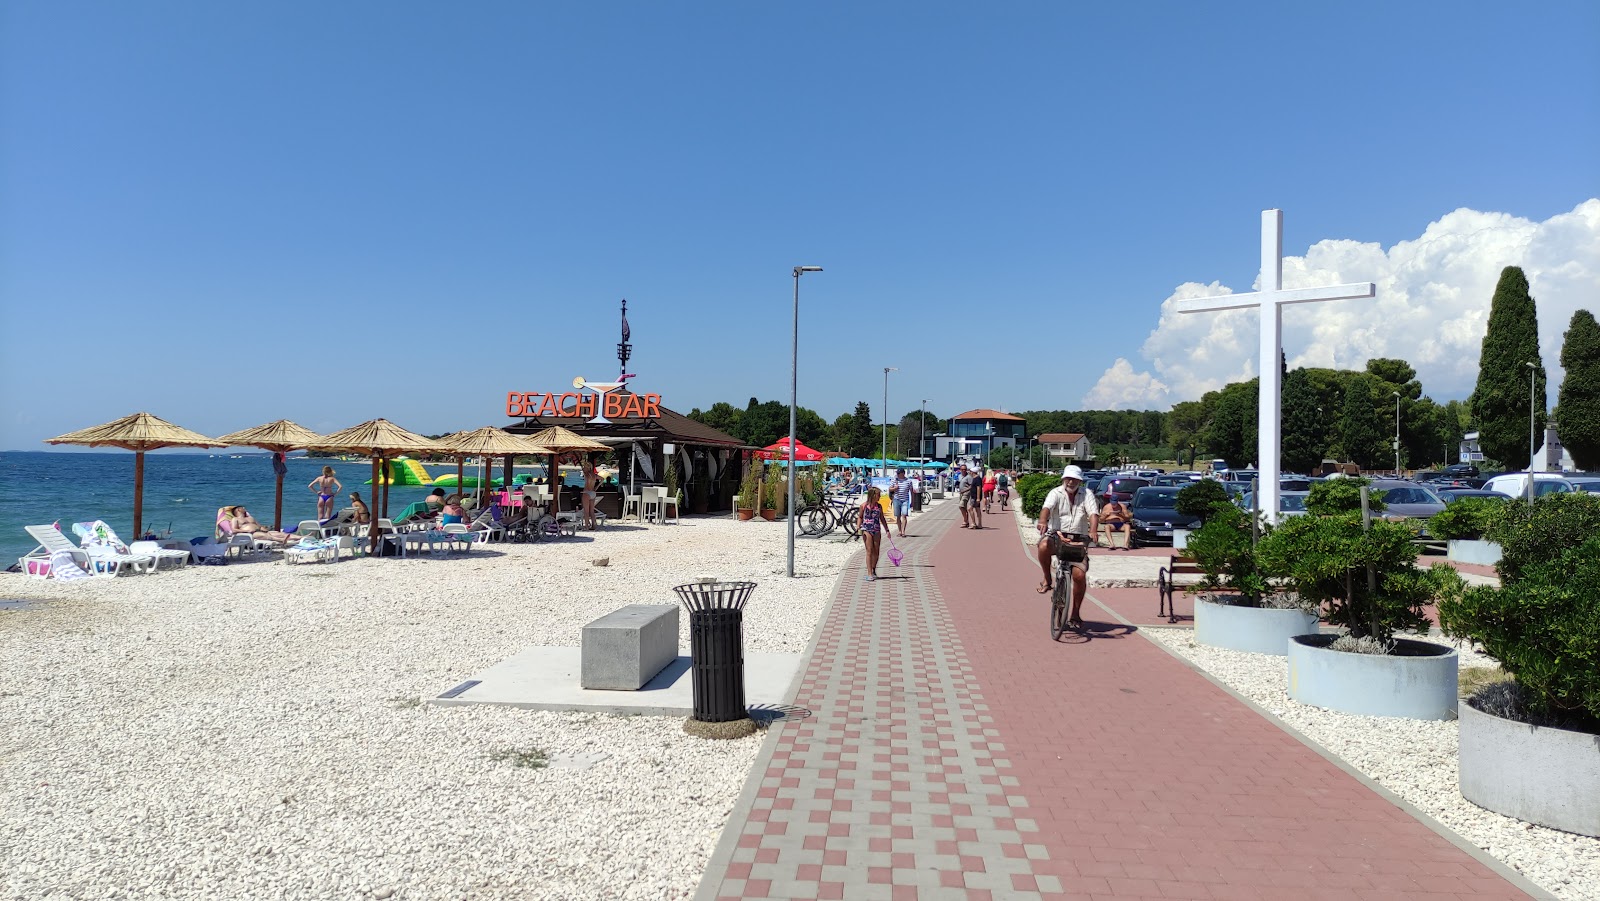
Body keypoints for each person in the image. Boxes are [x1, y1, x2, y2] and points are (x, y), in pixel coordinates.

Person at [1035, 465, 1100, 628]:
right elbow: (1046, 508)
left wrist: (1093, 530)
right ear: (1063, 479)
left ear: (1079, 481)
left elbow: (1093, 513)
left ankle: (1076, 613)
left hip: (1078, 538)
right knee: (1043, 545)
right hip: (1057, 534)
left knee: (1079, 576)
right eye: (1068, 478)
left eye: (1074, 479)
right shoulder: (1055, 493)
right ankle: (1047, 578)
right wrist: (1043, 521)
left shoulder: (1087, 494)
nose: (1071, 482)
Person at [859, 486, 885, 581]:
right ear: (873, 496)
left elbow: (882, 518)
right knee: (869, 551)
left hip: (876, 530)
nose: (880, 497)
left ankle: (873, 569)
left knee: (876, 552)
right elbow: (860, 517)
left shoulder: (879, 506)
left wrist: (887, 530)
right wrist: (858, 527)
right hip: (866, 529)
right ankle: (869, 573)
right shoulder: (863, 506)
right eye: (878, 495)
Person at [888, 467, 914, 537]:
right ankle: (899, 531)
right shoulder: (894, 480)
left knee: (904, 515)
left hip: (905, 500)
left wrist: (913, 501)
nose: (897, 474)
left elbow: (911, 491)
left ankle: (903, 531)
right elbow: (890, 489)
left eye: (899, 473)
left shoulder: (908, 481)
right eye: (897, 473)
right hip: (896, 499)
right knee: (898, 516)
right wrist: (894, 488)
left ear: (903, 473)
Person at [581, 458, 600, 530]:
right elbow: (602, 479)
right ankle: (594, 525)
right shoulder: (594, 475)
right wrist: (596, 487)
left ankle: (586, 526)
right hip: (593, 492)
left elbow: (583, 470)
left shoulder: (586, 474)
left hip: (586, 492)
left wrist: (584, 467)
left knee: (586, 511)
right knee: (592, 510)